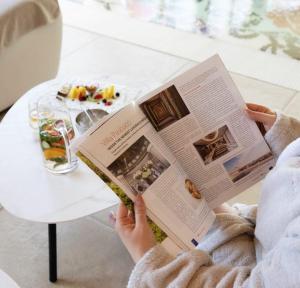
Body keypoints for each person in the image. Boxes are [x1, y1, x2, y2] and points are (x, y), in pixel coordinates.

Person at [114, 103, 300, 288]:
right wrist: (288, 137)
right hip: (269, 235)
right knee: (195, 201)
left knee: (187, 209)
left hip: (251, 267)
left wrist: (151, 265)